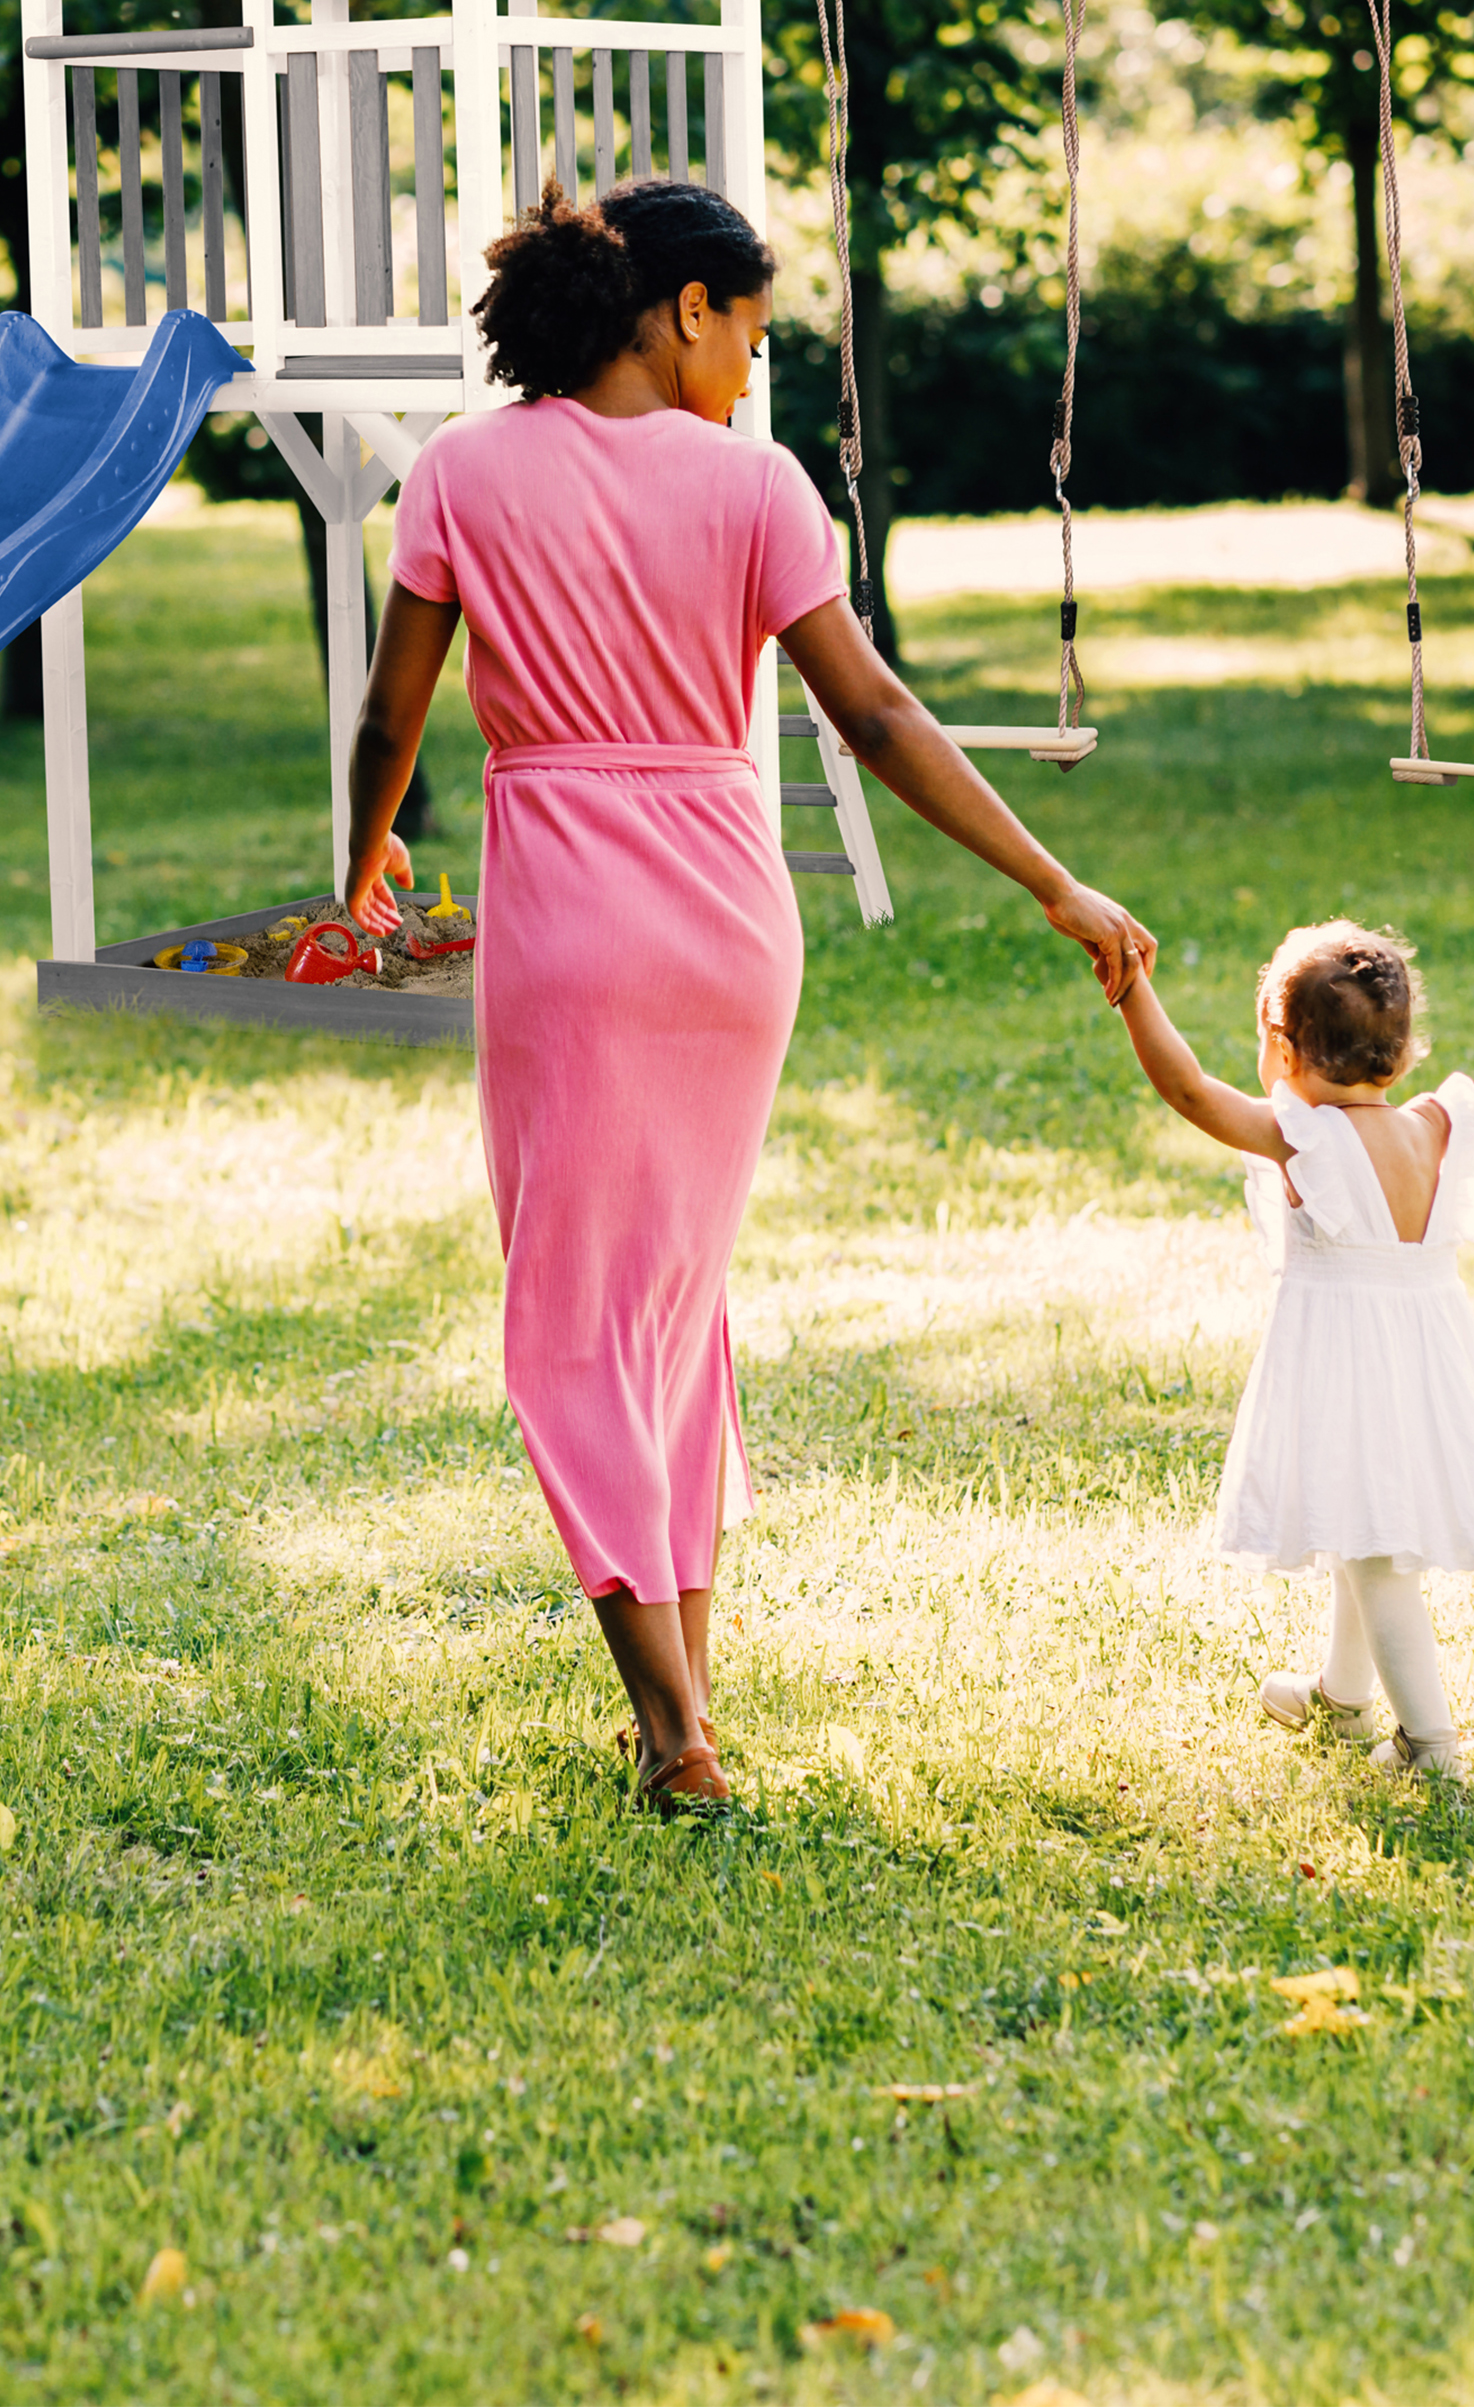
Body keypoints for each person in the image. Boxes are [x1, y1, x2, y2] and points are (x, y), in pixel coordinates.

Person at [343, 179, 1155, 1810]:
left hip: (569, 919)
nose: (754, 370)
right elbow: (876, 718)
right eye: (753, 334)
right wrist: (1051, 879)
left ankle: (672, 1730)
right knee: (669, 1310)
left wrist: (359, 861)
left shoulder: (461, 473)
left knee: (574, 1322)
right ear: (683, 309)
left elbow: (392, 714)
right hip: (727, 920)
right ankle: (688, 1697)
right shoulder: (757, 488)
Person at [1108, 920, 1474, 1778]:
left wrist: (1132, 989)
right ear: (1402, 1055)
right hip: (1426, 1363)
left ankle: (1429, 1743)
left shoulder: (1305, 1140)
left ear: (1283, 1049)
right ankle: (1341, 1698)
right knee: (1357, 1522)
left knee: (1375, 1556)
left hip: (1348, 1367)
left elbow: (1187, 1090)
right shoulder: (1435, 1125)